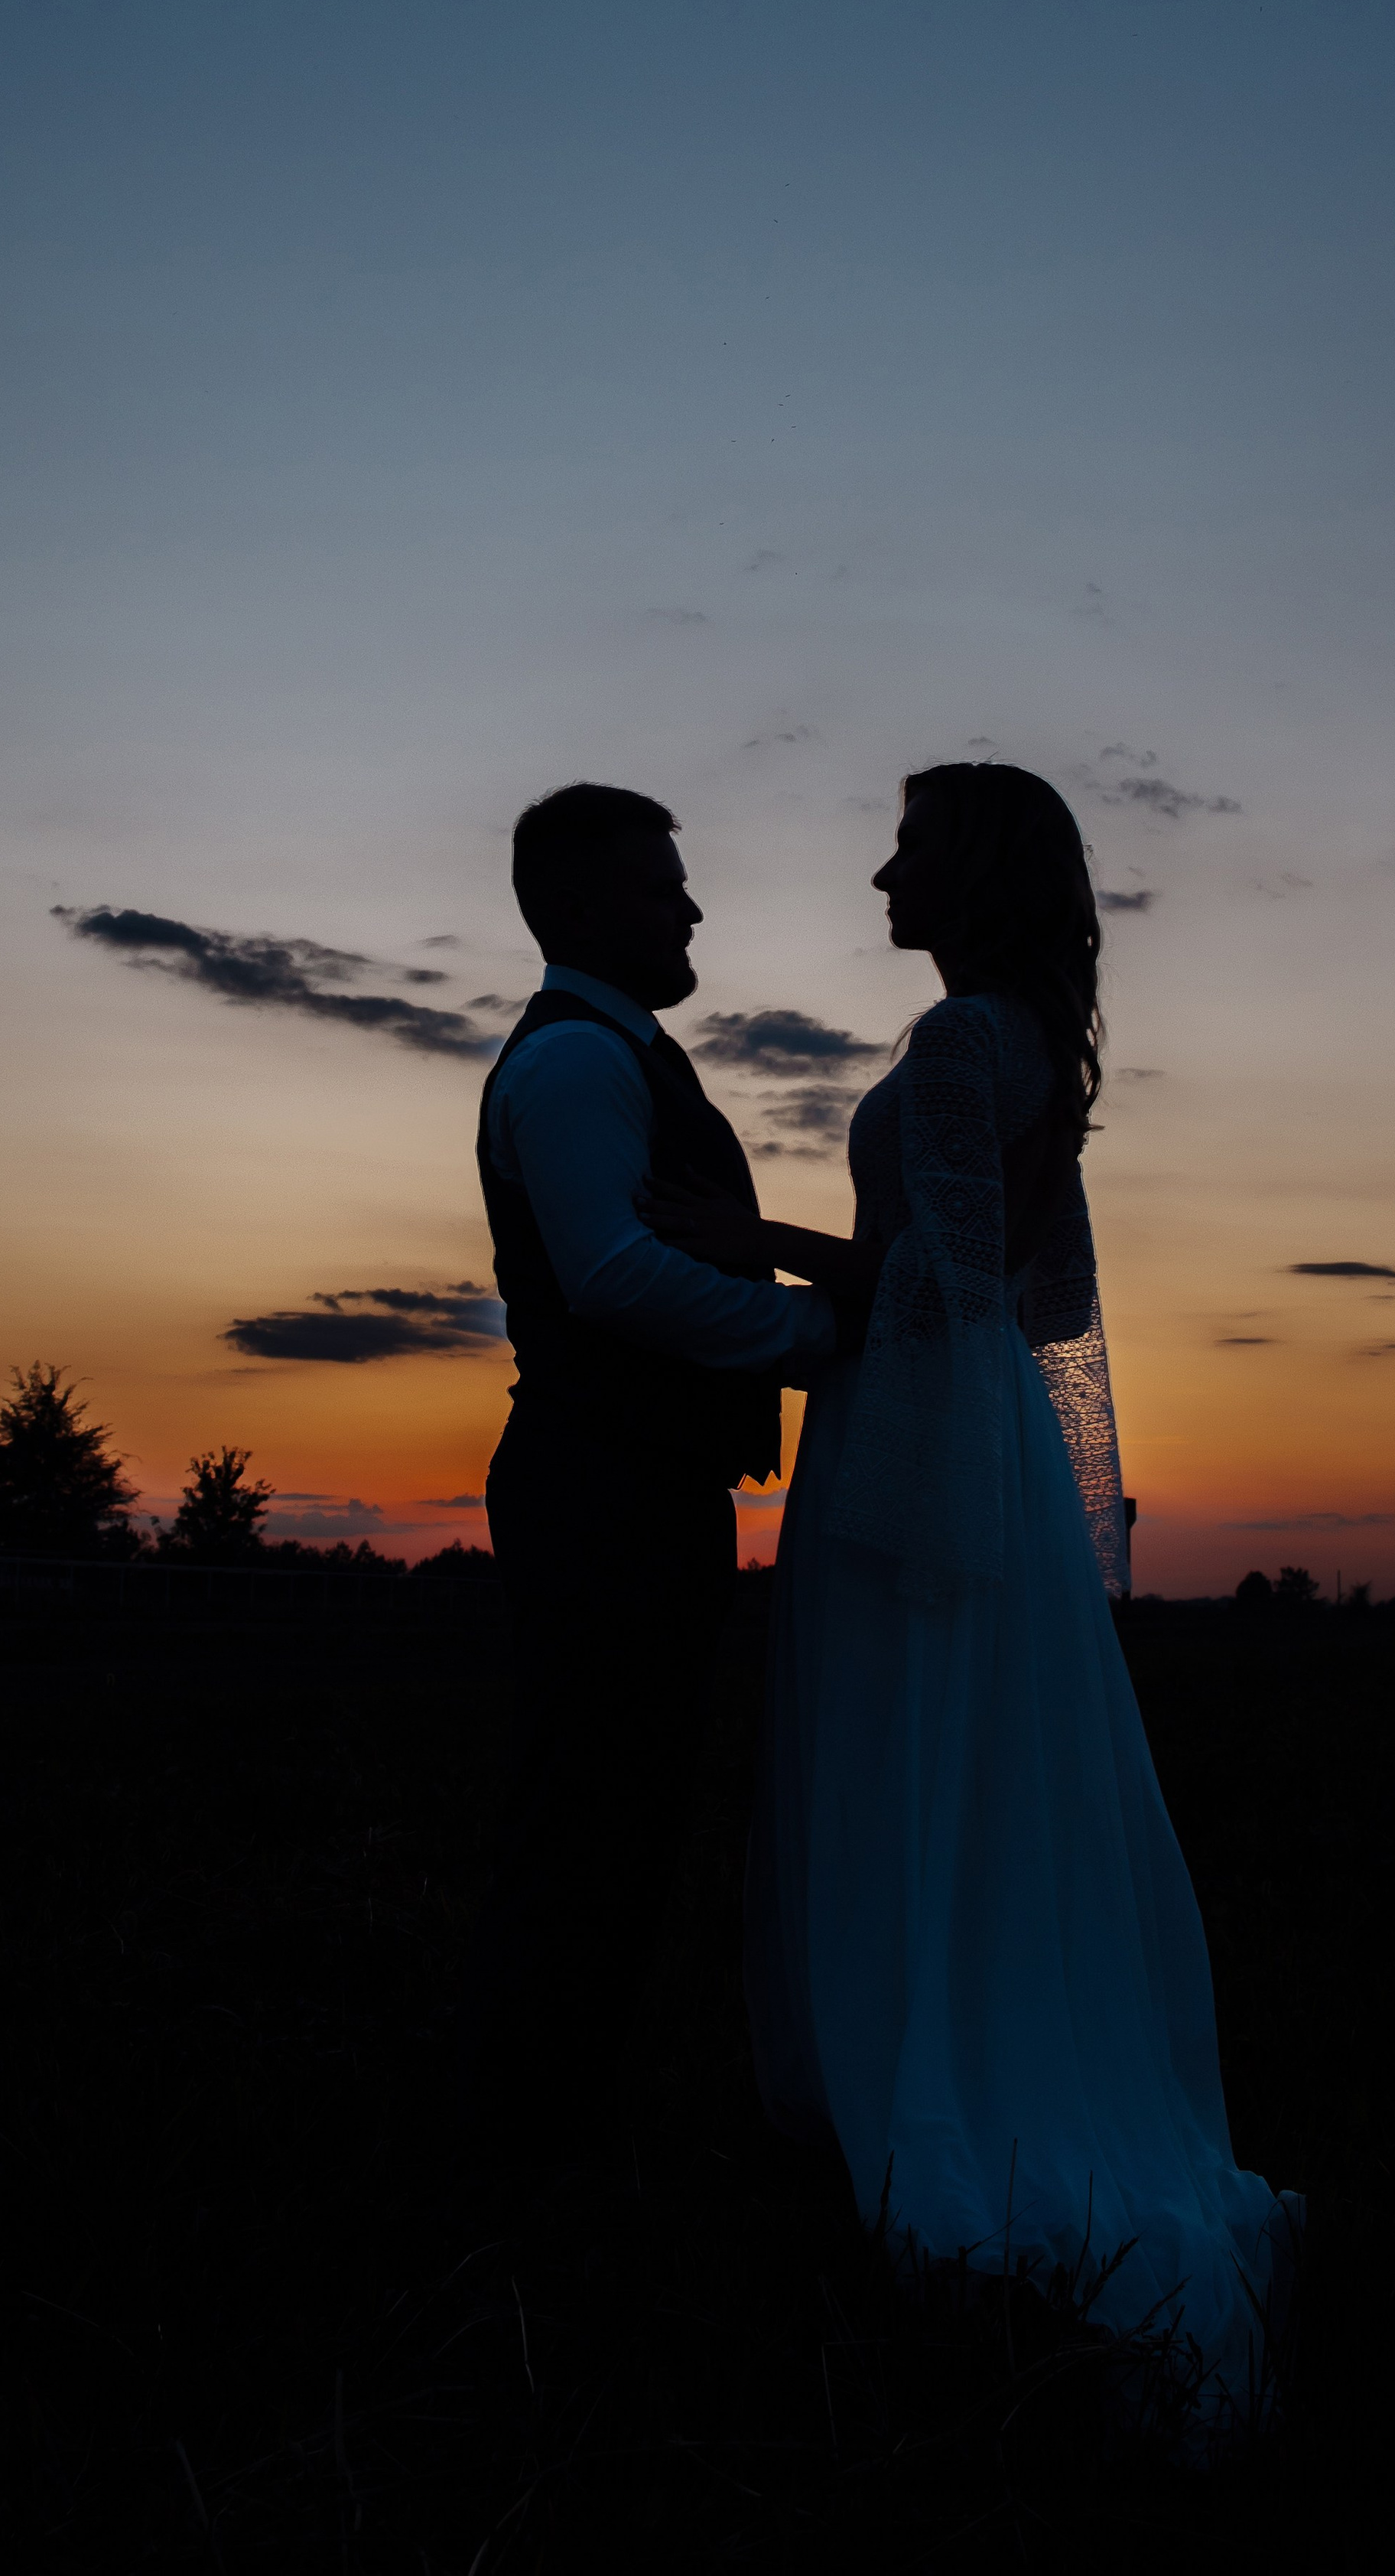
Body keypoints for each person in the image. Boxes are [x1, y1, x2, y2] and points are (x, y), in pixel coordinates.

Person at [642, 762, 1302, 2451]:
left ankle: (924, 2077)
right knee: (960, 1761)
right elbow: (1044, 1288)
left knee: (902, 1750)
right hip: (976, 1423)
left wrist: (742, 1234)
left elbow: (937, 1280)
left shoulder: (958, 1048)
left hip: (917, 1423)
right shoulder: (1023, 1042)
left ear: (973, 872)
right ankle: (962, 2025)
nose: (880, 870)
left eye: (910, 846)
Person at [453, 783, 839, 2182]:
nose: (690, 906)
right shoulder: (573, 1065)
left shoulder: (620, 1056)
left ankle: (548, 2128)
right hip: (603, 1486)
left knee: (618, 1814)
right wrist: (823, 1341)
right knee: (589, 1820)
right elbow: (612, 1276)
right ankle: (523, 2155)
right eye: (663, 883)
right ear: (579, 905)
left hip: (639, 1483)